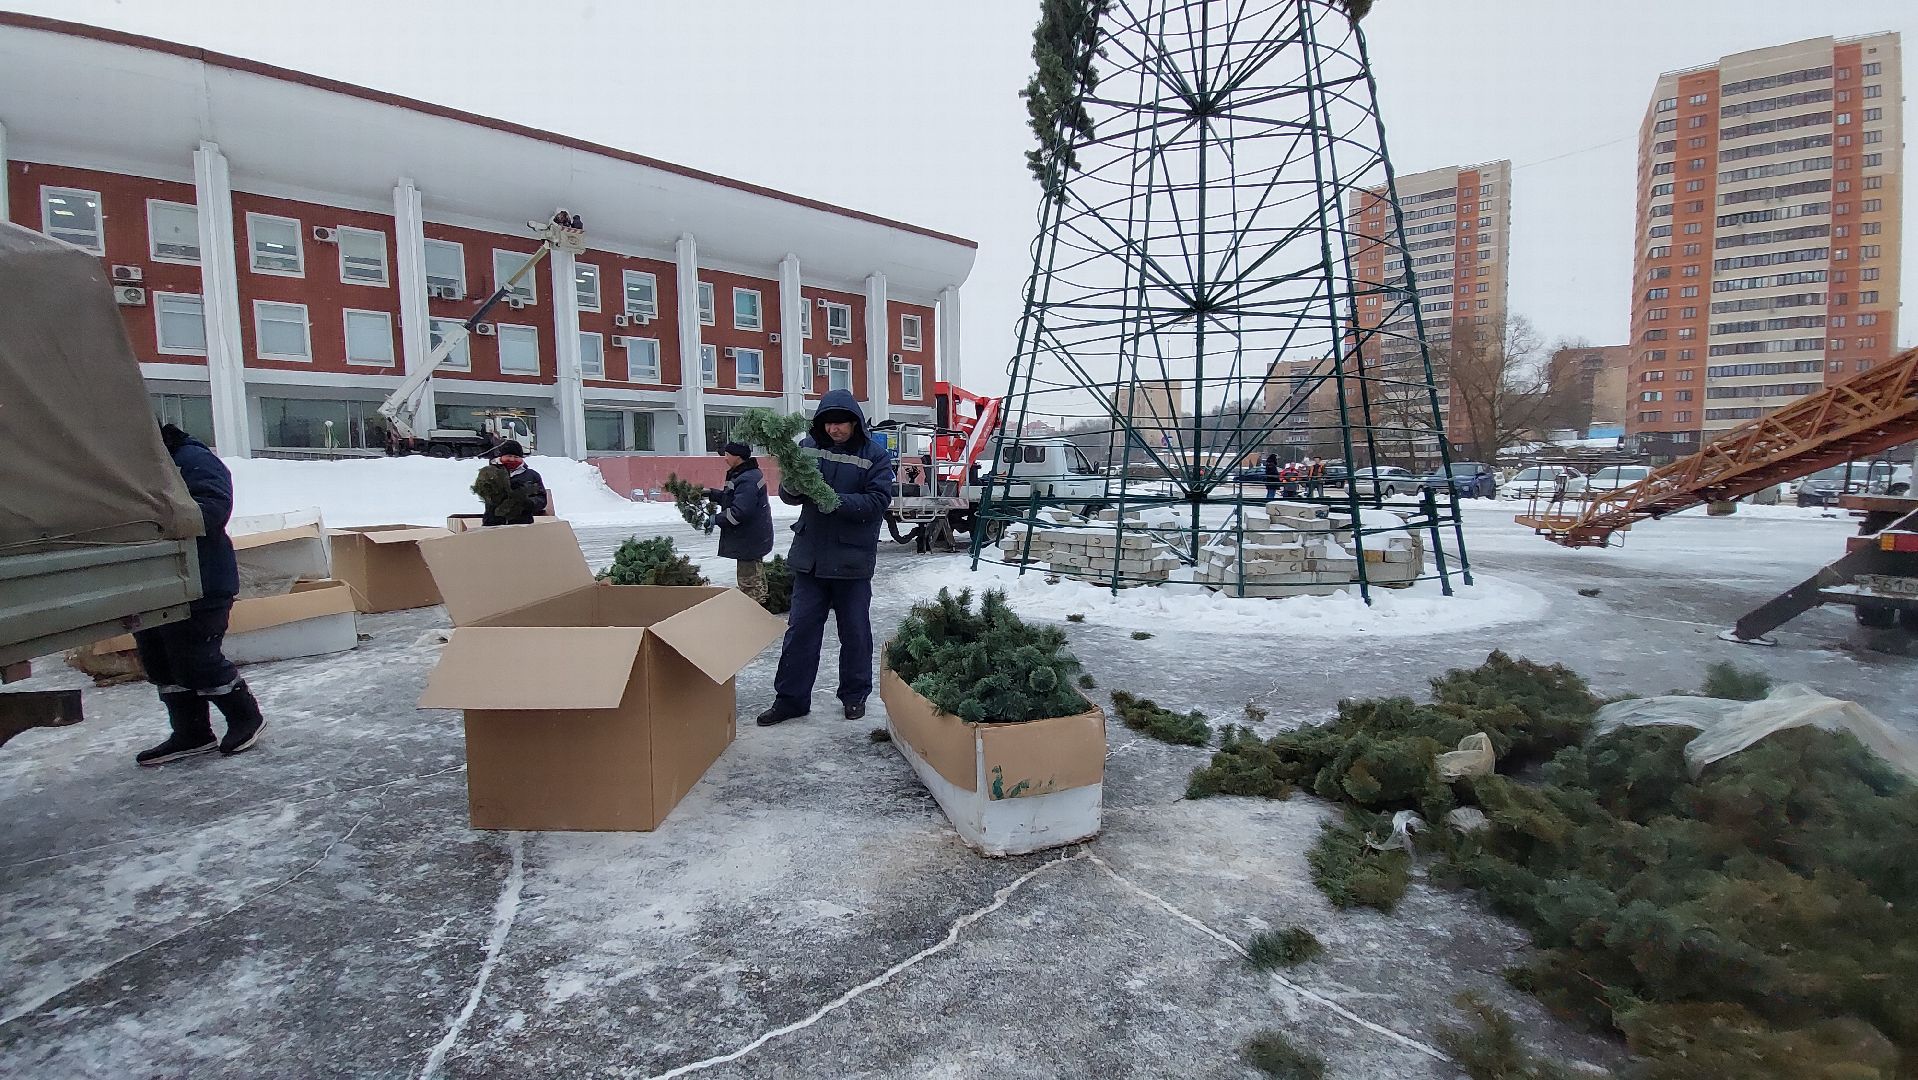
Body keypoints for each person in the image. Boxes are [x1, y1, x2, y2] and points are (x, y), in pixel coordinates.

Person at [758, 389, 894, 726]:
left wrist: (835, 501)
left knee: (855, 633)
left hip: (852, 562)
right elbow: (789, 495)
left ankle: (854, 695)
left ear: (854, 422)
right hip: (811, 560)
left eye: (841, 423)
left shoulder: (875, 456)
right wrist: (794, 487)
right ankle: (790, 700)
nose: (835, 429)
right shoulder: (808, 448)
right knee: (800, 632)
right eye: (829, 423)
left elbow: (877, 502)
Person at [134, 423, 265, 766]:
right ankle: (191, 733)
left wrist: (153, 516)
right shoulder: (137, 467)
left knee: (196, 657)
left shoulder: (191, 459)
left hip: (203, 580)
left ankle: (245, 717)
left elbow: (214, 509)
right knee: (160, 659)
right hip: (152, 584)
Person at [704, 440, 773, 605]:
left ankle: (754, 618)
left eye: (728, 454)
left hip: (748, 540)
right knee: (754, 579)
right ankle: (758, 614)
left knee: (750, 586)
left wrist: (716, 519)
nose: (725, 458)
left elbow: (740, 511)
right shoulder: (744, 474)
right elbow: (732, 498)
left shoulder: (747, 478)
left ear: (737, 457)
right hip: (752, 539)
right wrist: (712, 494)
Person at [476, 440, 547, 526]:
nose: (512, 459)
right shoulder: (490, 472)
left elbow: (541, 498)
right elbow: (482, 491)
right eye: (509, 456)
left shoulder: (532, 475)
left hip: (522, 525)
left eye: (516, 457)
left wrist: (528, 502)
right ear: (501, 456)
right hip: (493, 524)